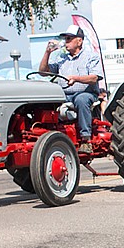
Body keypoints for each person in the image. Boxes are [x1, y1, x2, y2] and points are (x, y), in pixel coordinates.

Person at [39, 24, 102, 152]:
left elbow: (95, 77)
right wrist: (47, 52)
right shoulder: (61, 58)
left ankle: (86, 139)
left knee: (81, 99)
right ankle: (49, 136)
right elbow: (43, 72)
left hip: (86, 93)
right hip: (64, 94)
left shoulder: (91, 56)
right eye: (65, 39)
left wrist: (76, 78)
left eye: (69, 39)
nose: (65, 42)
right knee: (45, 101)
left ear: (79, 41)